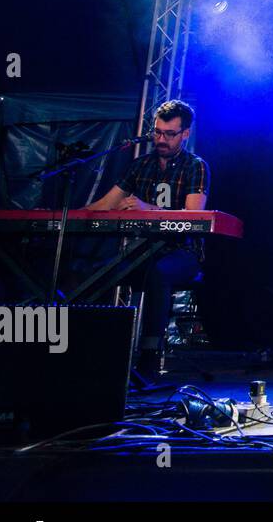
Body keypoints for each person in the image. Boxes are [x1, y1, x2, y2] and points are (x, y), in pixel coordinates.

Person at [88, 99, 210, 374]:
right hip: (141, 250)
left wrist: (148, 209)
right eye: (157, 132)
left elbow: (193, 215)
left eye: (169, 134)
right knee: (99, 274)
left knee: (158, 274)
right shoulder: (140, 165)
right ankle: (98, 351)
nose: (161, 139)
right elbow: (104, 205)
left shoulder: (195, 166)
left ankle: (149, 358)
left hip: (183, 253)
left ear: (185, 134)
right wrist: (63, 213)